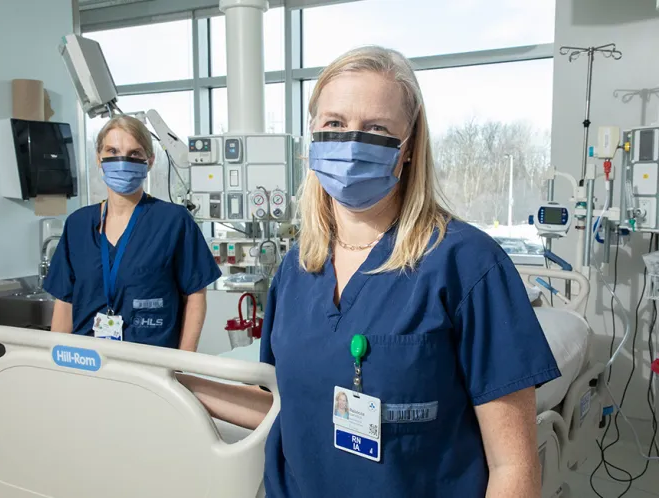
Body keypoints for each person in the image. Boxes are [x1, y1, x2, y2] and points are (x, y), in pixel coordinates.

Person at [177, 46, 559, 497]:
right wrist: (170, 381)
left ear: (408, 147)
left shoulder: (468, 265)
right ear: (313, 137)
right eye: (335, 124)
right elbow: (288, 404)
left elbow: (512, 465)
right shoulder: (298, 268)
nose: (351, 143)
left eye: (376, 128)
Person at [44, 115, 221, 351]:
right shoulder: (78, 224)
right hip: (87, 361)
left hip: (151, 362)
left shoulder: (173, 221)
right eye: (112, 150)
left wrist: (182, 365)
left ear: (150, 161)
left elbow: (196, 296)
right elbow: (65, 301)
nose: (122, 160)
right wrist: (58, 361)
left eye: (134, 153)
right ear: (99, 158)